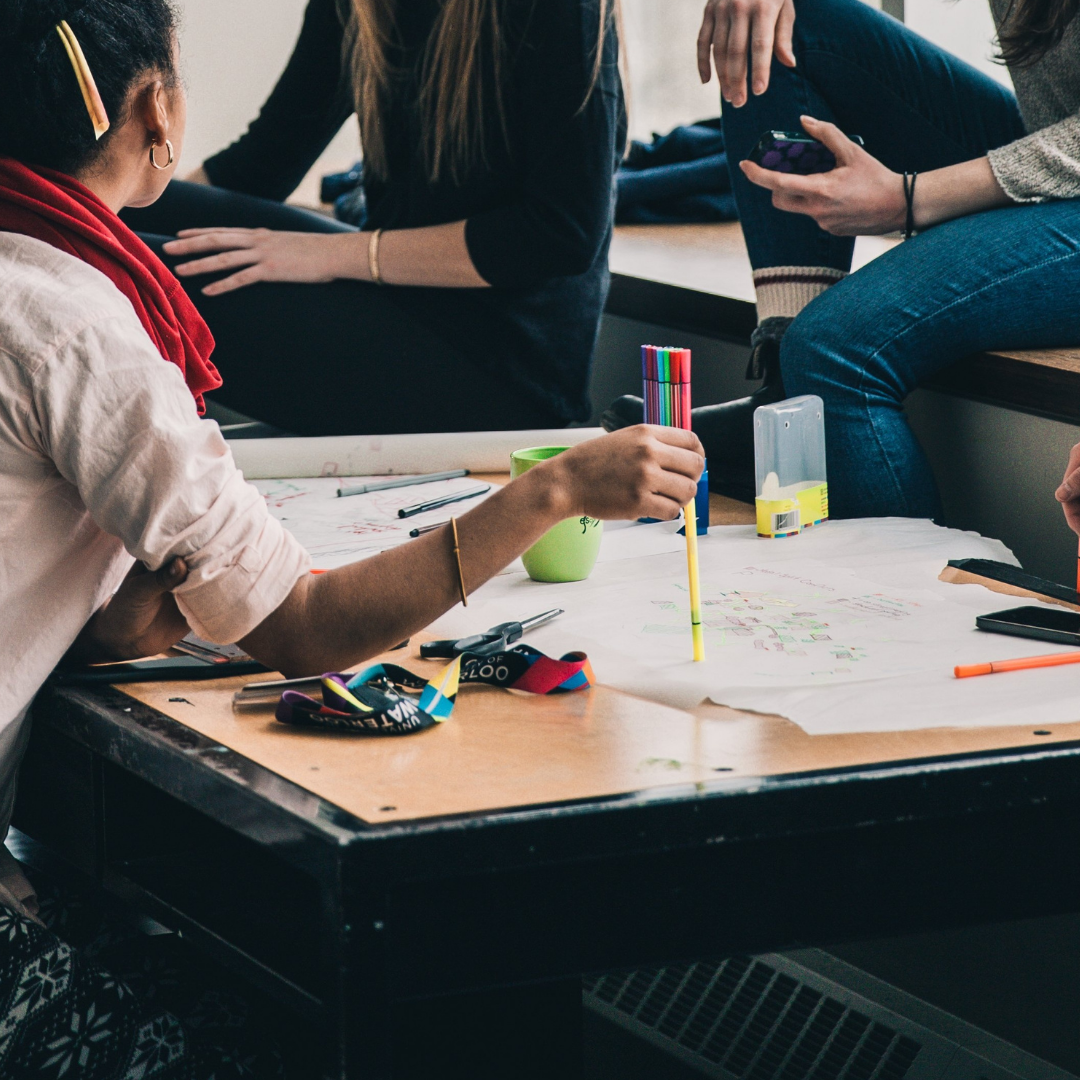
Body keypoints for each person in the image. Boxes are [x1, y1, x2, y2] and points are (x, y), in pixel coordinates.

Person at [0, 0, 703, 1072]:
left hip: (499, 358)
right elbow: (310, 627)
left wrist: (120, 609)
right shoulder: (88, 334)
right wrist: (555, 488)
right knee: (289, 1033)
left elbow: (553, 233)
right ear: (155, 111)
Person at [607, 0, 1080, 517]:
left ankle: (903, 574)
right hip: (1057, 158)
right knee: (789, 22)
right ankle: (786, 397)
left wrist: (910, 197)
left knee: (833, 348)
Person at [119, 0, 626, 437]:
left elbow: (560, 234)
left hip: (505, 366)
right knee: (102, 219)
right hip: (401, 295)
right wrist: (107, 203)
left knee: (126, 272)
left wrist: (328, 256)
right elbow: (266, 161)